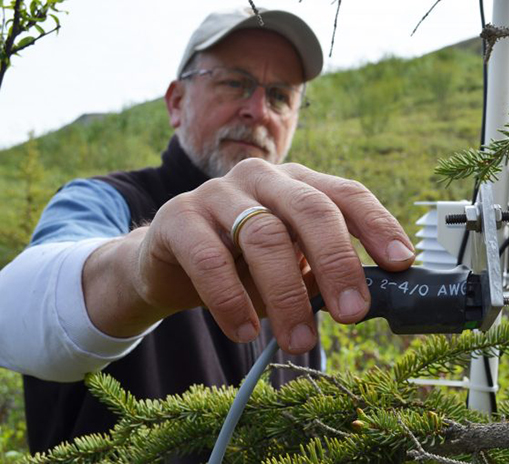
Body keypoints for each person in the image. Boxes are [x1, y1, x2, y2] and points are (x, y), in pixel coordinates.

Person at [0, 7, 415, 459]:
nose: (257, 111)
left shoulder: (296, 242)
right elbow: (18, 310)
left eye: (279, 95)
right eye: (234, 82)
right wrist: (140, 271)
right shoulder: (101, 201)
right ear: (177, 102)